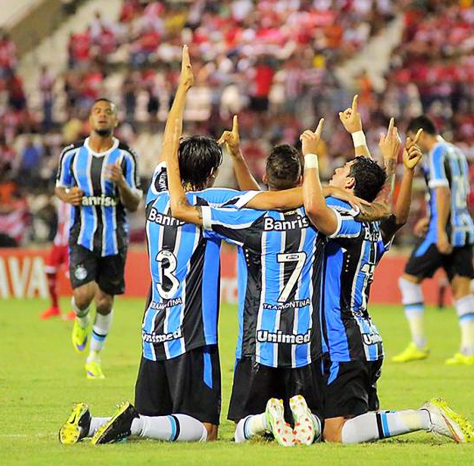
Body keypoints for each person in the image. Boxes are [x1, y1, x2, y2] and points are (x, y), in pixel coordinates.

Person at [58, 46, 351, 445]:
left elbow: (168, 141)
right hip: (192, 334)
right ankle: (134, 424)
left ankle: (93, 423)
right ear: (212, 173)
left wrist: (182, 90)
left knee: (154, 414)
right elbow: (274, 199)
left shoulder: (159, 194)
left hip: (152, 327)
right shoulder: (214, 204)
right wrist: (330, 187)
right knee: (205, 430)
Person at [302, 103, 474, 444]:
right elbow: (383, 200)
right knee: (329, 426)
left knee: (336, 434)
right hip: (362, 340)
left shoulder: (346, 222)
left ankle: (423, 417)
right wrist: (393, 165)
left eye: (337, 173)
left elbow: (314, 205)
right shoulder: (374, 228)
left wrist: (310, 158)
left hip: (343, 341)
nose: (332, 177)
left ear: (348, 184)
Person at [55, 97, 143, 379]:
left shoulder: (126, 157)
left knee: (105, 302)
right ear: (90, 120)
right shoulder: (71, 155)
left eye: (108, 112)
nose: (102, 115)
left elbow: (133, 203)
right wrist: (67, 196)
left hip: (115, 239)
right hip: (82, 236)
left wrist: (120, 184)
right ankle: (80, 319)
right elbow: (60, 188)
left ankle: (94, 357)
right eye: (97, 111)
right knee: (83, 295)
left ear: (116, 121)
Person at [391, 115, 474, 365]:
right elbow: (456, 193)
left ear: (420, 134)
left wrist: (439, 228)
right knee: (461, 290)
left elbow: (442, 191)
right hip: (464, 228)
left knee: (408, 280)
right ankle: (468, 350)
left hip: (445, 230)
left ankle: (418, 344)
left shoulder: (437, 154)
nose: (409, 144)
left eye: (410, 138)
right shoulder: (457, 152)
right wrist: (430, 216)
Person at [40, 198, 75, 321]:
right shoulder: (61, 192)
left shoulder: (78, 192)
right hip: (58, 240)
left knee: (73, 276)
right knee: (50, 271)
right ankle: (54, 307)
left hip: (71, 241)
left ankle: (77, 310)